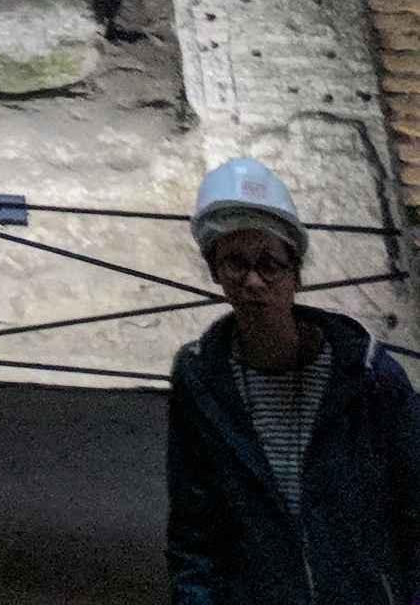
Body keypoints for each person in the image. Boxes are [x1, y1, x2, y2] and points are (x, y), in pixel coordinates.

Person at [167, 155, 420, 604]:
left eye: (270, 264)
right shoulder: (201, 381)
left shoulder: (367, 377)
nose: (254, 281)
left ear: (296, 271)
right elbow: (195, 526)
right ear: (214, 272)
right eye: (235, 264)